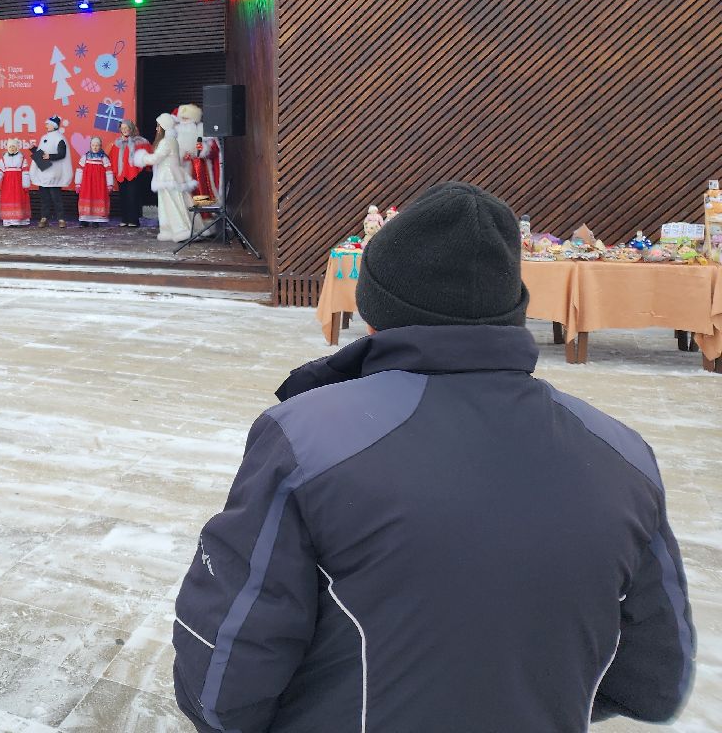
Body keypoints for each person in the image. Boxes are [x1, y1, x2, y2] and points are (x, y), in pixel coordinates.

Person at [173, 182, 695, 733]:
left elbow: (222, 686)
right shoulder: (623, 452)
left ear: (374, 310)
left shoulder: (304, 440)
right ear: (511, 312)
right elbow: (656, 682)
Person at [135, 113, 194, 242]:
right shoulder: (172, 140)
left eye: (158, 126)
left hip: (167, 178)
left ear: (163, 127)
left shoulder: (166, 142)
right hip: (170, 176)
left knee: (172, 205)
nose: (156, 129)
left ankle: (181, 230)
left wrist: (142, 157)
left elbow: (156, 158)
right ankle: (170, 230)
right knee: (169, 205)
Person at [29, 116, 70, 227]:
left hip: (53, 173)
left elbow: (62, 154)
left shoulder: (60, 139)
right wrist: (34, 149)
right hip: (44, 172)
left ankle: (61, 219)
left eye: (48, 124)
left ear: (54, 125)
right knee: (44, 198)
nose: (46, 125)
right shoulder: (44, 138)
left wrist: (50, 156)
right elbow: (41, 153)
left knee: (56, 197)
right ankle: (44, 217)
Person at [111, 120, 151, 228]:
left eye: (126, 127)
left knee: (133, 197)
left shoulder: (141, 142)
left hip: (135, 174)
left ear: (131, 128)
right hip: (121, 174)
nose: (124, 130)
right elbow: (113, 158)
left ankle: (134, 220)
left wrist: (143, 168)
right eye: (122, 128)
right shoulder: (117, 143)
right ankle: (125, 219)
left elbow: (147, 156)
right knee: (123, 196)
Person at [74, 136, 115, 228]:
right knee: (86, 200)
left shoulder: (104, 158)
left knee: (97, 199)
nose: (95, 147)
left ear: (100, 146)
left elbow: (109, 172)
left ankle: (96, 220)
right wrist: (77, 183)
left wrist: (110, 184)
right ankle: (84, 220)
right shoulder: (85, 157)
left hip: (99, 185)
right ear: (90, 146)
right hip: (87, 185)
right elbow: (79, 170)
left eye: (97, 145)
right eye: (93, 145)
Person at [0, 139, 31, 227]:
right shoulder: (4, 158)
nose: (12, 148)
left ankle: (18, 221)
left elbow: (25, 172)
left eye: (13, 146)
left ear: (17, 147)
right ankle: (8, 221)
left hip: (18, 182)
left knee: (18, 198)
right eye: (10, 146)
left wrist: (25, 184)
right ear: (7, 148)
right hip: (7, 183)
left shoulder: (22, 158)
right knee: (8, 198)